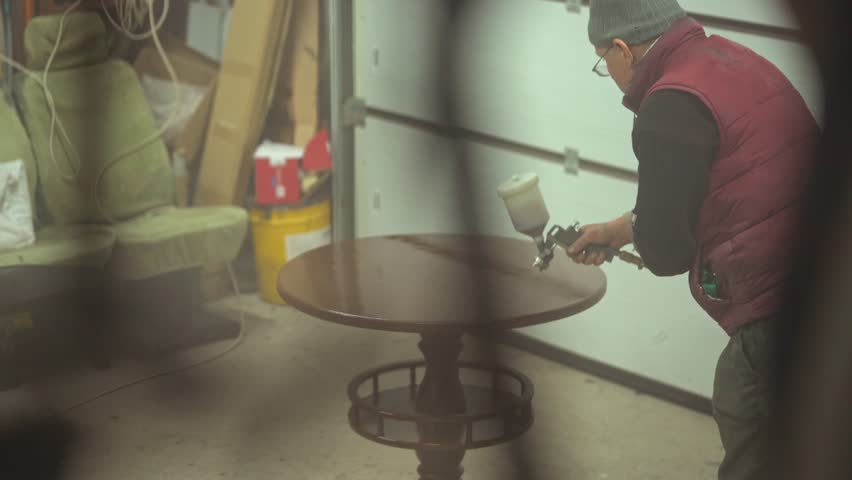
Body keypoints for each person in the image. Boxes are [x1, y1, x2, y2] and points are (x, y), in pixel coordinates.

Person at [566, 1, 821, 479]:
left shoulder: (668, 106)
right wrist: (620, 230)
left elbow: (666, 252)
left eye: (604, 61)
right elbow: (727, 177)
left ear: (623, 48)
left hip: (779, 302)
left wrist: (645, 236)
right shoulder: (731, 58)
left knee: (748, 415)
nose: (610, 73)